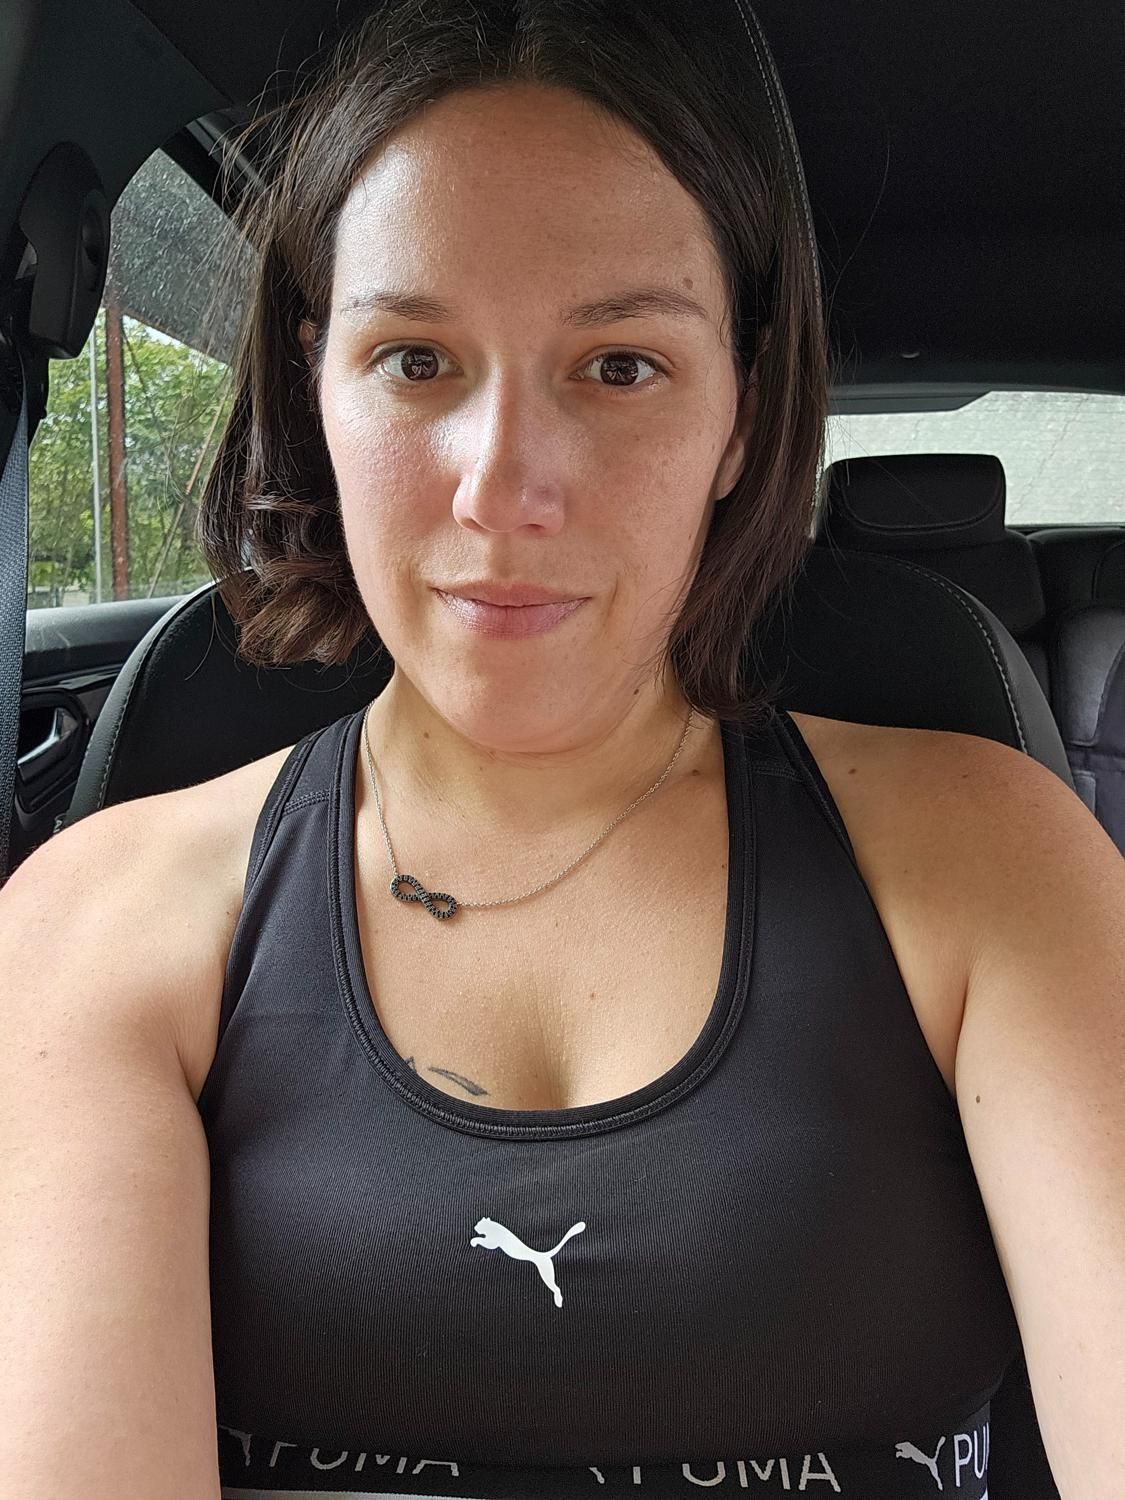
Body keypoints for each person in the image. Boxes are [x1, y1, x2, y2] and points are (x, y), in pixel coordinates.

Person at [1, 1, 1122, 1496]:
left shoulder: (999, 863)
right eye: (415, 359)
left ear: (741, 415)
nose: (501, 486)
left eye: (619, 367)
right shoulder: (97, 925)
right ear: (317, 387)